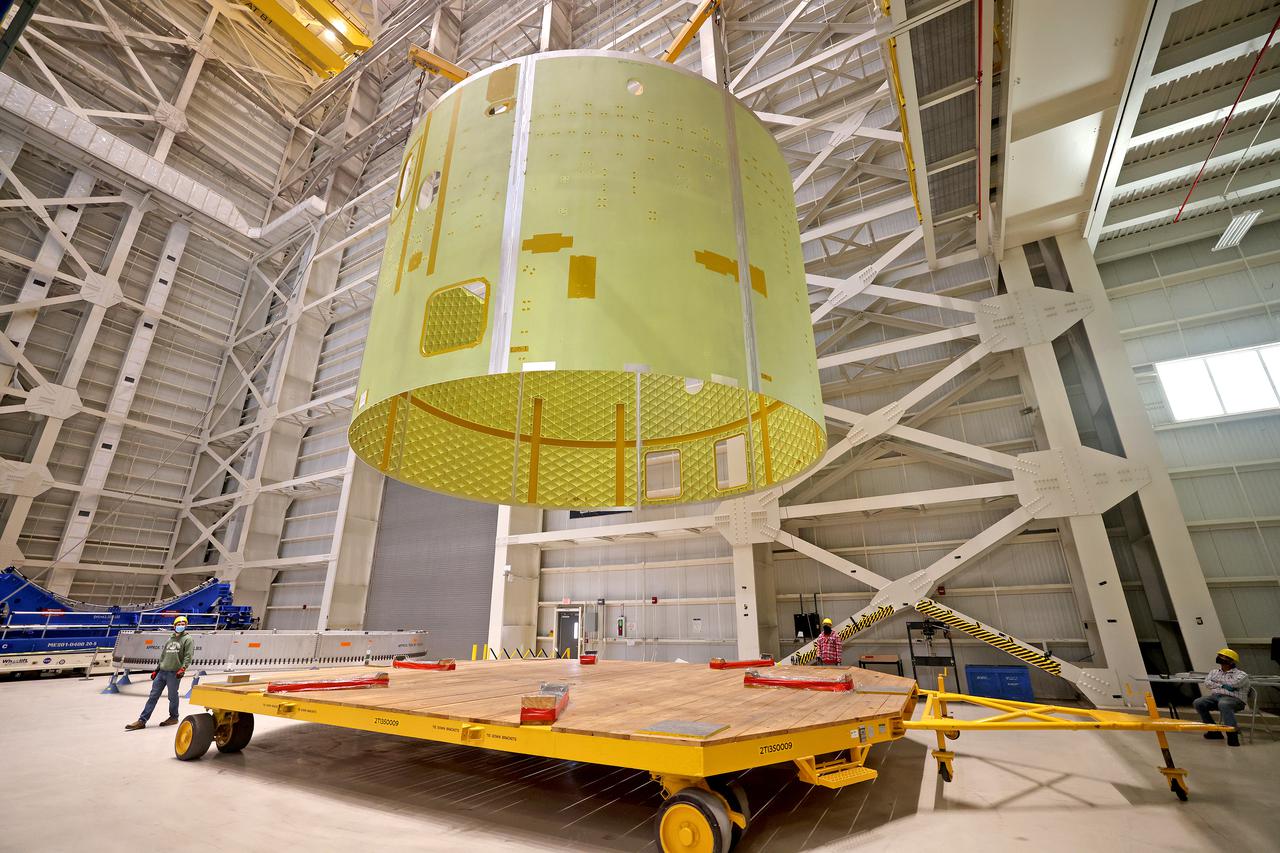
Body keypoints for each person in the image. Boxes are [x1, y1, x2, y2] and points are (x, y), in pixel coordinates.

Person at [125, 615, 194, 731]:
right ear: (174, 626)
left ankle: (173, 717)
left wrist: (183, 669)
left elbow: (188, 656)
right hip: (162, 672)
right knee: (153, 696)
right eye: (179, 624)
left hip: (174, 673)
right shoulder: (170, 639)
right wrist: (157, 670)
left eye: (183, 624)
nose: (181, 626)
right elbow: (163, 656)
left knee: (172, 696)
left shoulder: (188, 639)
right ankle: (142, 720)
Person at [1194, 648, 1250, 747]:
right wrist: (1222, 686)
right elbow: (1207, 683)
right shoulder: (1214, 672)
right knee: (1198, 702)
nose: (1220, 658)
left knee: (1224, 704)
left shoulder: (1242, 675)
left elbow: (1234, 683)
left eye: (1224, 657)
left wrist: (1215, 682)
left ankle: (1232, 736)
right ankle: (1213, 731)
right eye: (1220, 656)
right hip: (1216, 697)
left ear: (1231, 661)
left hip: (1235, 700)